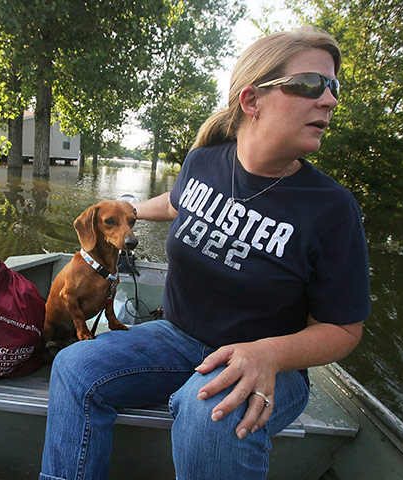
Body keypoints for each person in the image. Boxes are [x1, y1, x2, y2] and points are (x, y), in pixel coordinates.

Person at [39, 26, 370, 480]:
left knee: (211, 414)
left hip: (269, 360)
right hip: (178, 338)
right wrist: (127, 210)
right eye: (312, 84)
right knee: (73, 365)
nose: (330, 99)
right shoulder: (205, 162)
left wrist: (270, 355)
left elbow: (344, 329)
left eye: (333, 86)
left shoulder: (332, 209)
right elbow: (180, 202)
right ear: (251, 101)